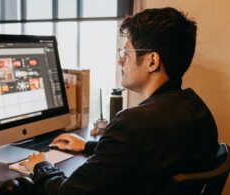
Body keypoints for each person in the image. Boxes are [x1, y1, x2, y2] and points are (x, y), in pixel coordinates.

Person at [22, 7, 219, 194]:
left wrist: (41, 166)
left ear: (152, 61)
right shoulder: (198, 110)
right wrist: (88, 146)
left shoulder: (133, 124)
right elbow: (143, 156)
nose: (120, 61)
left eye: (126, 53)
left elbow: (68, 192)